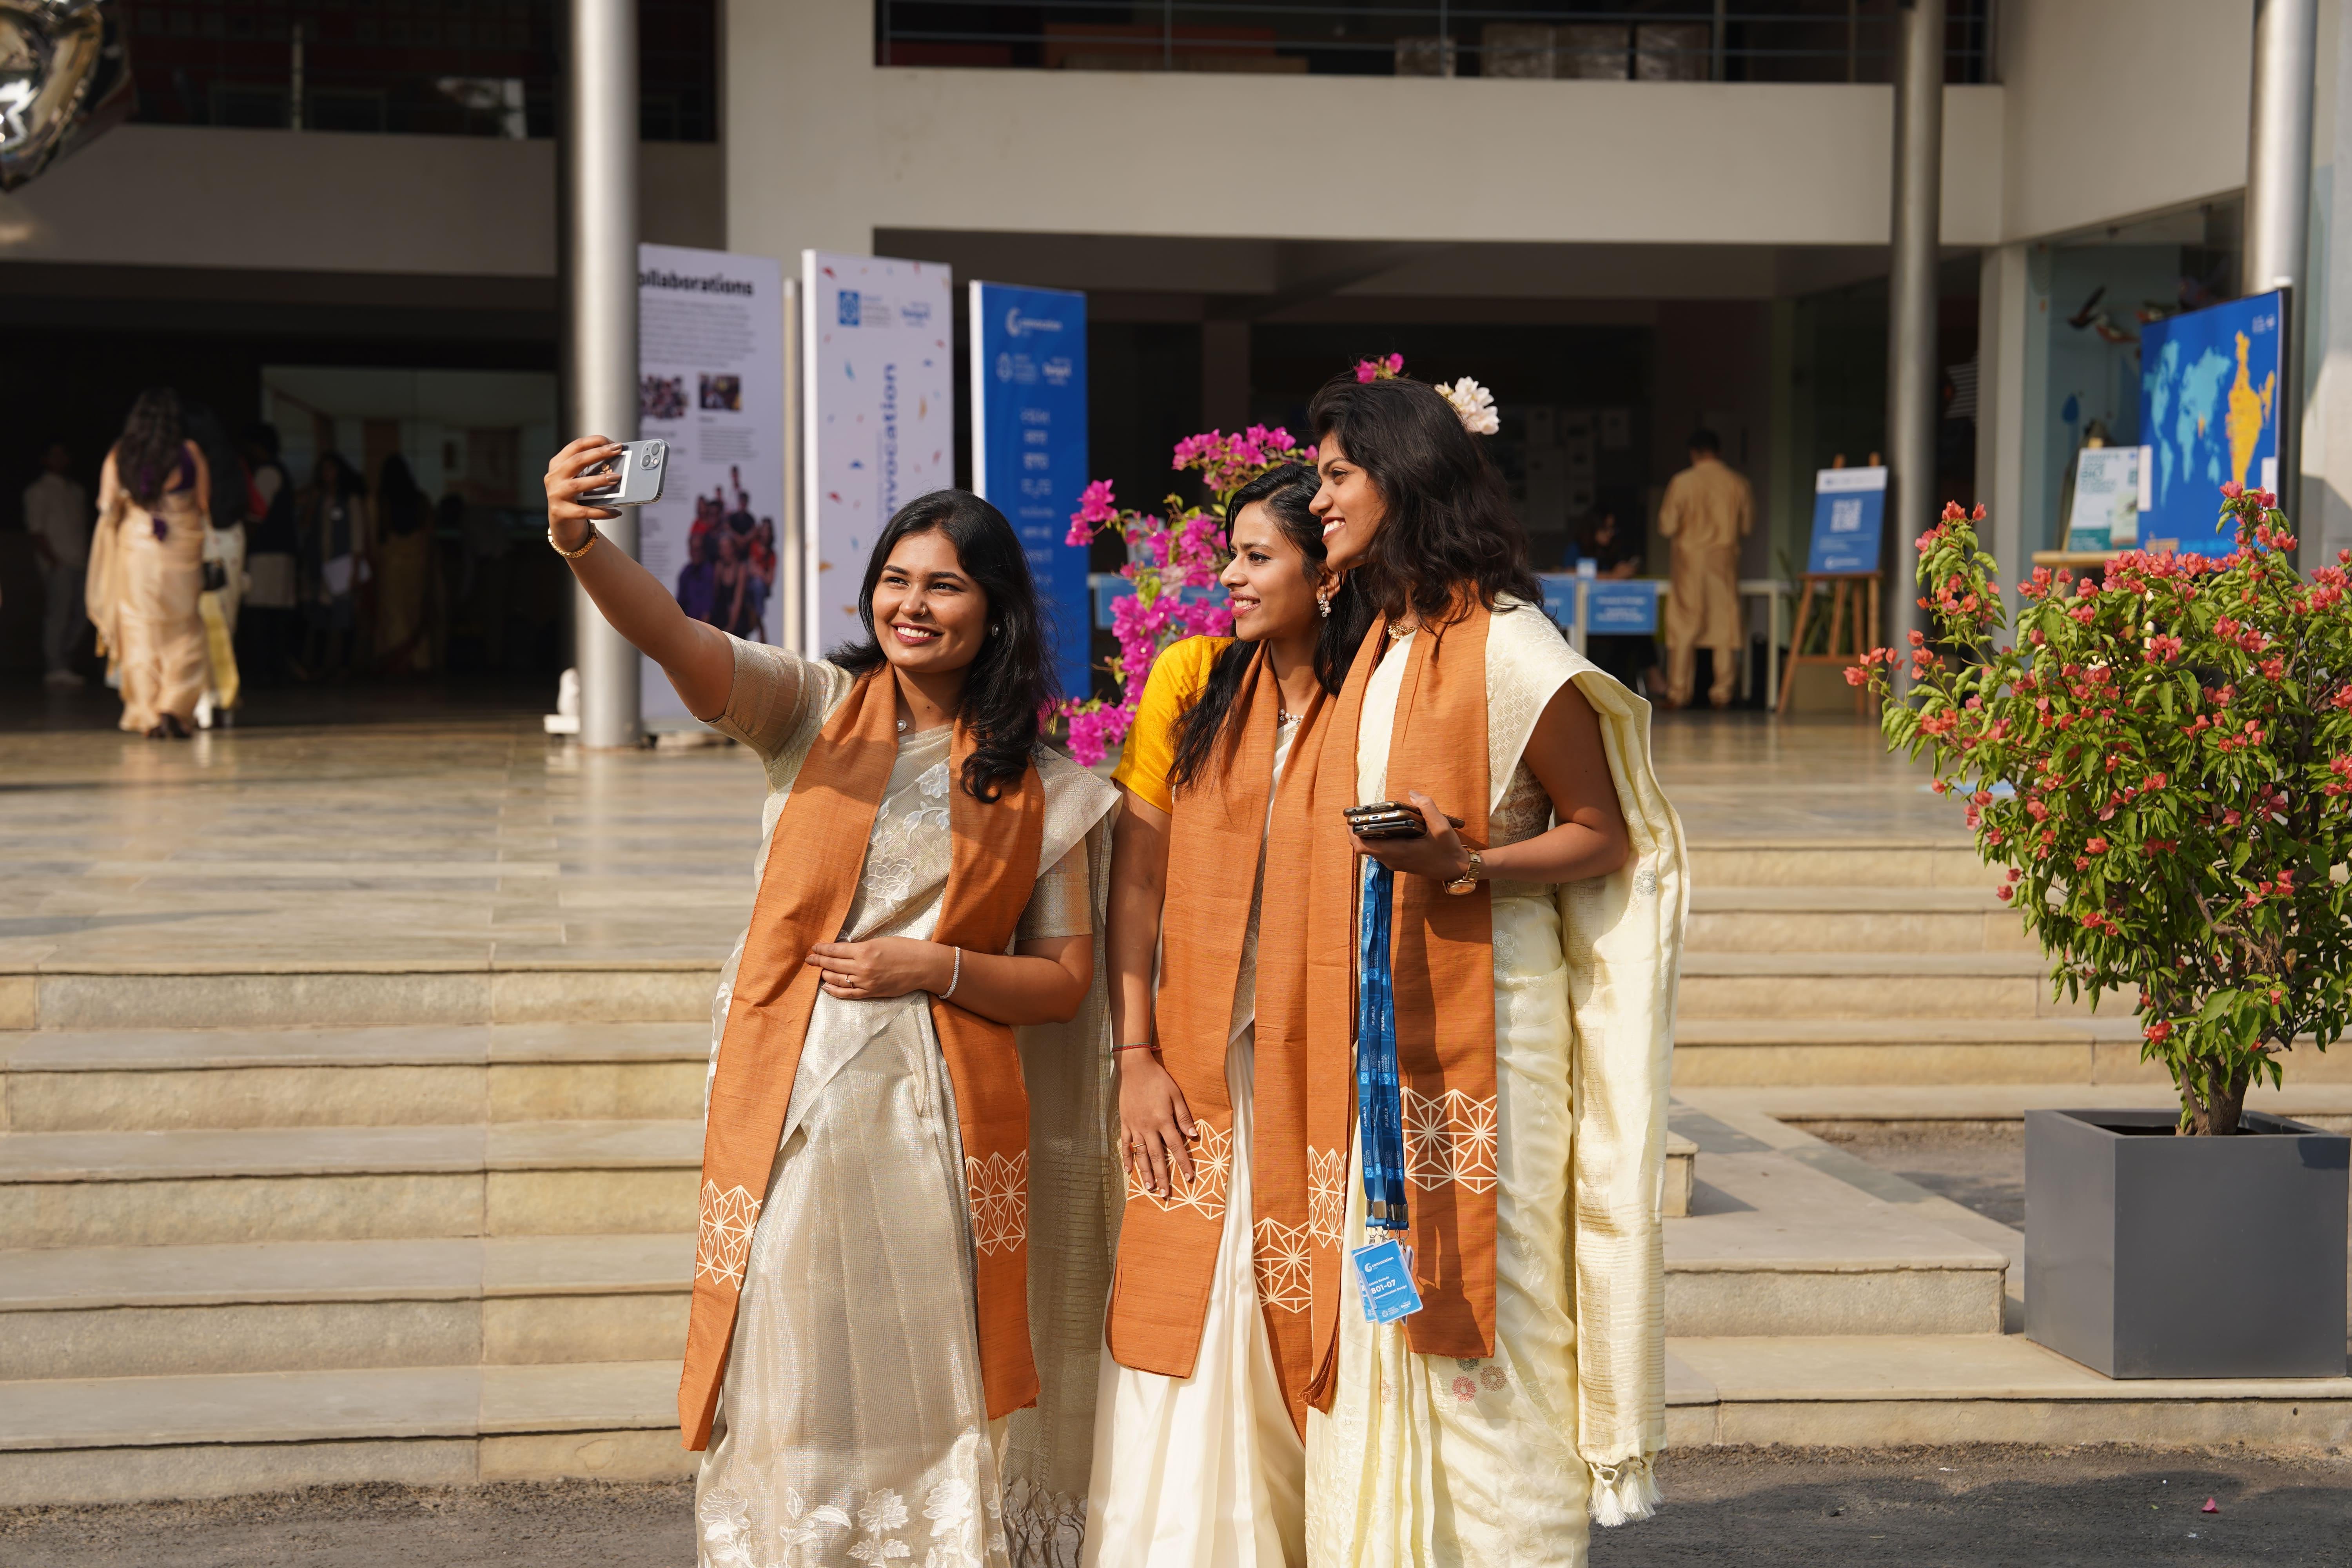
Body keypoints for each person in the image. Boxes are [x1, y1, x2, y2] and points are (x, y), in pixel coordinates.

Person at [543, 436, 1122, 1568]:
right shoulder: (811, 712)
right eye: (896, 580)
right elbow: (674, 635)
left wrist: (934, 967)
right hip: (796, 1096)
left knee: (926, 1356)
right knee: (796, 1341)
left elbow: (1062, 985)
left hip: (937, 1119)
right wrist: (577, 541)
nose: (913, 605)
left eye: (945, 583)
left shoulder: (1043, 785)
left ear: (994, 611)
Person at [1275, 371, 1686, 1564]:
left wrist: (1467, 862)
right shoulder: (1386, 644)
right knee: (1392, 1294)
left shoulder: (1508, 645)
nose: (1319, 496)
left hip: (1488, 1031)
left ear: (1403, 483)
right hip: (1383, 1017)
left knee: (1490, 1321)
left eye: (1338, 474)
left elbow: (1603, 829)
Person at [1085, 465, 1371, 1567]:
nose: (1232, 579)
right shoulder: (1192, 681)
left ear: (1328, 572)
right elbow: (1137, 886)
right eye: (1231, 556)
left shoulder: (1376, 700)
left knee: (1310, 1308)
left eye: (1259, 558)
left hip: (1322, 1071)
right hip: (1198, 1064)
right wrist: (1135, 1054)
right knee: (1197, 1323)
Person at [86, 390, 212, 739]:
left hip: (137, 553)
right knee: (185, 628)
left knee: (139, 630)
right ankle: (174, 706)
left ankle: (148, 712)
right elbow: (203, 504)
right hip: (181, 550)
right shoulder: (191, 453)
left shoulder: (119, 454)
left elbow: (107, 504)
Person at [1655, 427, 1753, 709]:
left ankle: (1679, 691)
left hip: (1690, 563)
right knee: (1724, 627)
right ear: (1718, 452)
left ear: (1693, 453)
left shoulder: (1682, 482)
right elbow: (1746, 526)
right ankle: (1722, 693)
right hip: (1724, 562)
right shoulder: (1738, 483)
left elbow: (1667, 526)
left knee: (1685, 625)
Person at [296, 452, 370, 679]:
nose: (328, 475)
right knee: (320, 615)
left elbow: (357, 534)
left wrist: (356, 569)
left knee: (344, 614)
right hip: (319, 564)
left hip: (342, 565)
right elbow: (306, 528)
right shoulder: (319, 500)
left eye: (332, 470)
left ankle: (344, 665)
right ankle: (318, 665)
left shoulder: (350, 500)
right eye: (324, 470)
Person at [238, 423, 301, 686]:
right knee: (273, 614)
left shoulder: (268, 473)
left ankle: (267, 671)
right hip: (278, 553)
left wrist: (243, 543)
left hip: (267, 554)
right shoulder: (279, 472)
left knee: (264, 615)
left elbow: (257, 514)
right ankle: (273, 670)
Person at [25, 441, 89, 687]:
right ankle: (55, 666)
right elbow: (36, 530)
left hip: (80, 561)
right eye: (55, 455)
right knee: (58, 615)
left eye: (64, 454)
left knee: (84, 612)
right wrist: (53, 561)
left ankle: (65, 658)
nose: (60, 459)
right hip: (58, 562)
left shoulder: (76, 491)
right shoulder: (38, 491)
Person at [372, 453, 436, 675]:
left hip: (392, 562)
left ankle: (395, 664)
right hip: (417, 561)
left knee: (393, 614)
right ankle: (417, 661)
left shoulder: (383, 500)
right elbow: (429, 534)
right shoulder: (420, 499)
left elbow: (379, 531)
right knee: (413, 612)